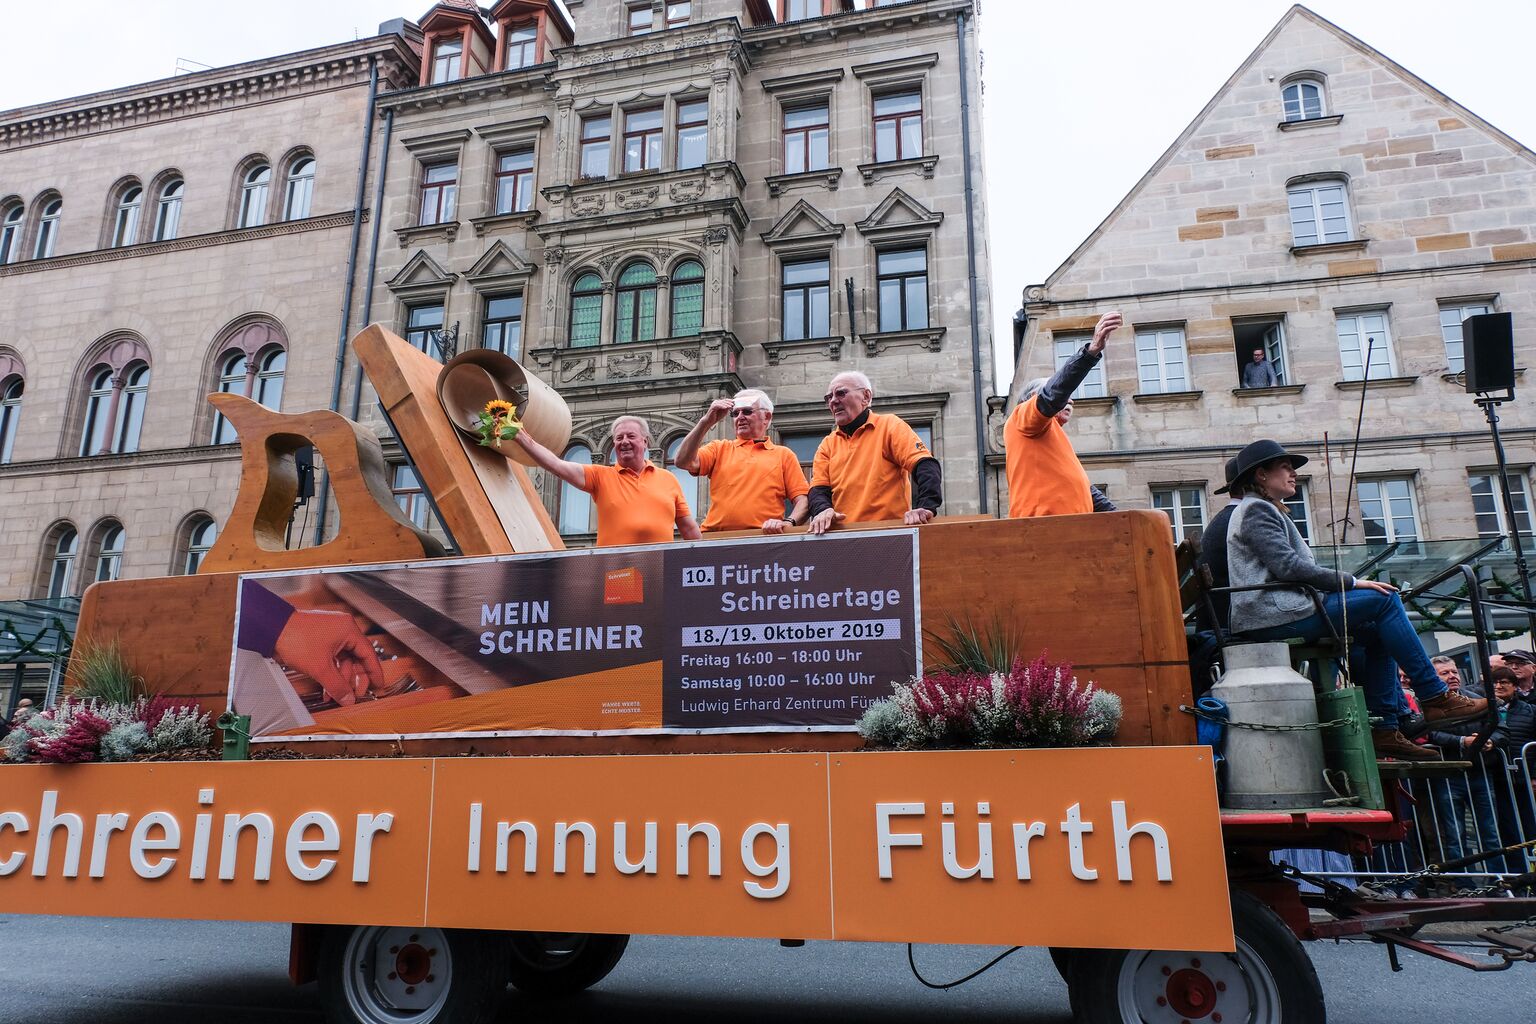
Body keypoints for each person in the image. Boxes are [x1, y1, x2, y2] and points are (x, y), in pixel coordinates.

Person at [1224, 438, 1486, 760]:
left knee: (1377, 631)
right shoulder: (1257, 509)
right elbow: (1288, 566)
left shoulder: (1262, 509)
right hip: (1273, 614)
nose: (1293, 474)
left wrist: (1345, 586)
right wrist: (1350, 582)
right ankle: (1434, 696)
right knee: (1383, 599)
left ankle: (1385, 728)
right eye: (1286, 467)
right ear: (1262, 475)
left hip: (1279, 610)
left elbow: (1289, 568)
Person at [514, 414, 701, 547]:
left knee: (658, 596)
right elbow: (556, 465)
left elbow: (689, 529)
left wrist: (708, 562)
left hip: (660, 569)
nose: (624, 441)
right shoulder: (600, 476)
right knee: (622, 596)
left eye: (631, 436)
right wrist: (520, 436)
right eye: (619, 438)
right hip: (618, 571)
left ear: (645, 442)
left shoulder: (668, 479)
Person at [1004, 312, 1120, 518]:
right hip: (1045, 525)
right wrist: (1090, 352)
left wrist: (1122, 517)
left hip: (1070, 524)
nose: (1070, 401)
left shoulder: (1051, 435)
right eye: (1065, 396)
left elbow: (1084, 488)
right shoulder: (1022, 417)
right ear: (1032, 397)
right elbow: (1053, 394)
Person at [805, 371, 942, 535]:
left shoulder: (889, 426)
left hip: (888, 534)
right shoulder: (827, 444)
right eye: (828, 397)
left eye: (840, 393)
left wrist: (925, 507)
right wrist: (823, 510)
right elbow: (818, 490)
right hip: (843, 537)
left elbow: (925, 464)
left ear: (866, 396)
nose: (833, 401)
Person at [673, 389, 809, 534]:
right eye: (735, 413)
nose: (740, 417)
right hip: (716, 538)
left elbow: (804, 501)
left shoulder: (783, 455)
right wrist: (706, 422)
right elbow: (683, 461)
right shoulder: (719, 448)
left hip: (762, 537)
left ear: (767, 417)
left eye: (747, 411)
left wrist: (788, 522)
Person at [1197, 458, 1242, 632]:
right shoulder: (1245, 518)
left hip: (1216, 621)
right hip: (1231, 623)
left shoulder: (1224, 518)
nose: (1292, 475)